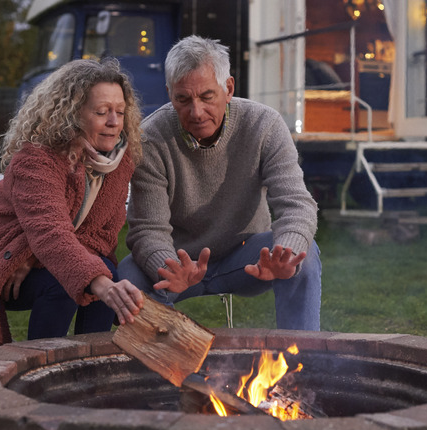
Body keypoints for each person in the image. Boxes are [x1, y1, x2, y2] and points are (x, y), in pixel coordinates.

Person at [0, 58, 145, 358]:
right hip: (1, 263)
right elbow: (49, 231)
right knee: (70, 283)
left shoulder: (119, 163)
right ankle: (40, 366)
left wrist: (35, 258)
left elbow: (102, 238)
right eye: (102, 112)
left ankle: (95, 366)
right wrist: (31, 256)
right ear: (73, 113)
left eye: (120, 112)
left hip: (40, 258)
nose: (114, 122)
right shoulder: (37, 160)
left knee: (107, 274)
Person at [118, 36, 321, 331]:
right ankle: (166, 357)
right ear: (169, 94)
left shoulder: (264, 125)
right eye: (183, 99)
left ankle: (302, 354)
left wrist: (285, 253)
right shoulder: (150, 139)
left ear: (228, 88)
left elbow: (297, 204)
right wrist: (167, 266)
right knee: (129, 275)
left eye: (207, 96)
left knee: (305, 255)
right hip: (180, 261)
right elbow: (147, 228)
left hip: (248, 257)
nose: (196, 112)